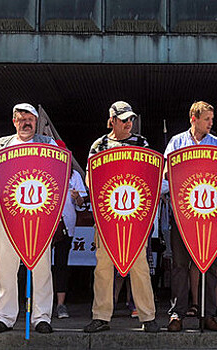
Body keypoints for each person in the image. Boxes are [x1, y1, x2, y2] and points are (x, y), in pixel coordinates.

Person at [83, 101, 160, 333]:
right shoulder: (99, 144)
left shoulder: (141, 142)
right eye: (124, 119)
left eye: (131, 119)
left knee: (140, 266)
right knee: (103, 266)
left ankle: (148, 317)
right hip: (107, 215)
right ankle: (101, 317)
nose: (129, 124)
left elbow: (150, 175)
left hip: (135, 216)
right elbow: (90, 180)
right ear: (112, 120)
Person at [0, 103, 57, 334]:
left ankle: (42, 317)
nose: (26, 123)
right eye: (21, 119)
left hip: (40, 216)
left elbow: (61, 171)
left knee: (41, 267)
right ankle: (5, 317)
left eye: (30, 119)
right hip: (8, 217)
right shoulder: (0, 145)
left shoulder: (48, 144)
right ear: (14, 121)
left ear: (36, 122)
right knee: (5, 267)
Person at [164, 101, 217, 332]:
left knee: (208, 266)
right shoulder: (176, 142)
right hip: (181, 216)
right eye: (207, 119)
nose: (211, 123)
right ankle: (177, 314)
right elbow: (166, 174)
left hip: (209, 217)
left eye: (211, 119)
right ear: (194, 118)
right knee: (179, 265)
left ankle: (208, 314)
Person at [53, 140, 87, 319]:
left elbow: (82, 204)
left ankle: (60, 305)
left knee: (61, 264)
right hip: (44, 225)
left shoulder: (73, 176)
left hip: (66, 225)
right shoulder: (43, 171)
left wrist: (77, 198)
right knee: (40, 266)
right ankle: (39, 304)